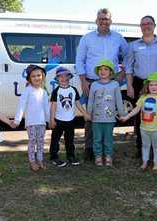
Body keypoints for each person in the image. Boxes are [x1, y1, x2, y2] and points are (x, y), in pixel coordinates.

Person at [75, 8, 128, 161]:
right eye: (101, 18)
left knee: (108, 113)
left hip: (112, 82)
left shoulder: (118, 38)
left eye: (106, 19)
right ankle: (90, 150)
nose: (103, 21)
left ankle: (107, 150)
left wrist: (122, 74)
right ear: (96, 21)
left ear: (111, 21)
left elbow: (128, 56)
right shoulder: (87, 38)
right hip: (91, 81)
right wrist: (83, 80)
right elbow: (80, 60)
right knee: (91, 115)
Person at [125, 15, 157, 159]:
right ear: (140, 26)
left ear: (154, 25)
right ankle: (141, 149)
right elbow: (129, 67)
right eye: (143, 23)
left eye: (149, 23)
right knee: (141, 117)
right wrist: (129, 86)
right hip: (140, 83)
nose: (146, 26)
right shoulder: (133, 45)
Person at [87, 60, 126, 166]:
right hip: (96, 119)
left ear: (111, 72)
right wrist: (88, 113)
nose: (102, 71)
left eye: (106, 69)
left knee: (108, 139)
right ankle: (98, 156)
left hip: (110, 119)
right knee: (97, 139)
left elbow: (119, 100)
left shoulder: (115, 85)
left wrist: (122, 114)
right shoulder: (94, 85)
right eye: (100, 69)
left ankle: (108, 156)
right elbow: (90, 100)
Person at [49, 67, 90, 167]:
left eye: (66, 76)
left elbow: (77, 103)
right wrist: (51, 119)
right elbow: (53, 106)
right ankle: (54, 157)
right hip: (58, 119)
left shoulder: (73, 90)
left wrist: (85, 113)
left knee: (70, 139)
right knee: (55, 139)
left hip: (70, 120)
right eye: (61, 76)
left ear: (69, 77)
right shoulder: (56, 91)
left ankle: (71, 156)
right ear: (57, 78)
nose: (63, 78)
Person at [12, 65, 50, 171]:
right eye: (33, 76)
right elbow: (21, 106)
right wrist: (17, 120)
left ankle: (40, 160)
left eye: (39, 75)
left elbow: (46, 108)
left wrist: (49, 120)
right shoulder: (27, 91)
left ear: (42, 76)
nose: (37, 78)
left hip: (41, 122)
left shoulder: (43, 92)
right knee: (32, 141)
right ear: (29, 79)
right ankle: (32, 161)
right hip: (31, 123)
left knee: (41, 141)